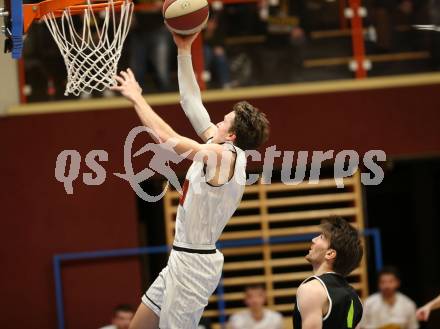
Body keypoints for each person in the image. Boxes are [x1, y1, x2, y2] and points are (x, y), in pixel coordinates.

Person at [111, 31, 269, 329]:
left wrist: (137, 98)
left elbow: (167, 139)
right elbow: (190, 100)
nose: (218, 121)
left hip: (194, 263)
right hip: (182, 258)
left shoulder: (224, 157)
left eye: (224, 121)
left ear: (232, 135)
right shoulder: (223, 149)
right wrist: (184, 49)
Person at [292, 217, 364, 329]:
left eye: (321, 237)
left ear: (330, 253)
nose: (313, 240)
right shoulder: (356, 299)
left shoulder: (312, 289)